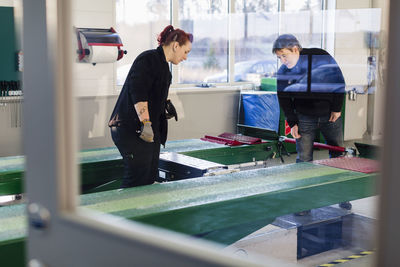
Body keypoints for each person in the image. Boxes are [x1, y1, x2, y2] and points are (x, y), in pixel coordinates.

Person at [272, 34, 352, 213]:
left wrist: (337, 108)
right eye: (279, 57)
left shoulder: (320, 56)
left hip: (330, 116)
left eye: (284, 55)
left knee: (338, 155)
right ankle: (303, 202)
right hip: (304, 118)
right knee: (304, 160)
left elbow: (338, 80)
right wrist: (292, 122)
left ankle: (342, 195)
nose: (282, 60)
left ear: (295, 49)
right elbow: (283, 98)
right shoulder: (284, 71)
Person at [108, 25, 192, 188]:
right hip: (130, 128)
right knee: (137, 178)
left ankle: (143, 211)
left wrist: (163, 108)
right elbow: (138, 92)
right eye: (186, 52)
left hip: (148, 130)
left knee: (149, 176)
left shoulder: (165, 69)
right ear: (176, 46)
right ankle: (127, 212)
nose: (185, 57)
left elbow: (152, 95)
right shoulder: (148, 59)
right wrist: (146, 123)